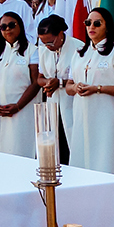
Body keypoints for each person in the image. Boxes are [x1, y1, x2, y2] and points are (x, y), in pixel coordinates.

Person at [65, 7, 114, 174]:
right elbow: (68, 86)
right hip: (83, 119)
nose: (91, 27)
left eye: (97, 23)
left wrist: (97, 89)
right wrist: (76, 87)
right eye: (88, 23)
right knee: (82, 163)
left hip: (108, 121)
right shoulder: (79, 54)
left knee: (106, 162)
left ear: (107, 27)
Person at [0, 11, 40, 158]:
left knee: (19, 149)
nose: (7, 29)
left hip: (23, 111)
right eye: (3, 27)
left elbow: (35, 83)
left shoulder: (32, 51)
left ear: (20, 27)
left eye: (11, 25)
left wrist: (18, 106)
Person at [36, 14, 82, 163]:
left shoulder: (79, 48)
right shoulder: (44, 50)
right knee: (55, 147)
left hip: (72, 104)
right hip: (53, 105)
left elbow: (82, 79)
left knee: (72, 144)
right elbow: (39, 78)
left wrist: (60, 82)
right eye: (43, 43)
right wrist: (48, 82)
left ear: (60, 35)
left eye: (50, 42)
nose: (47, 47)